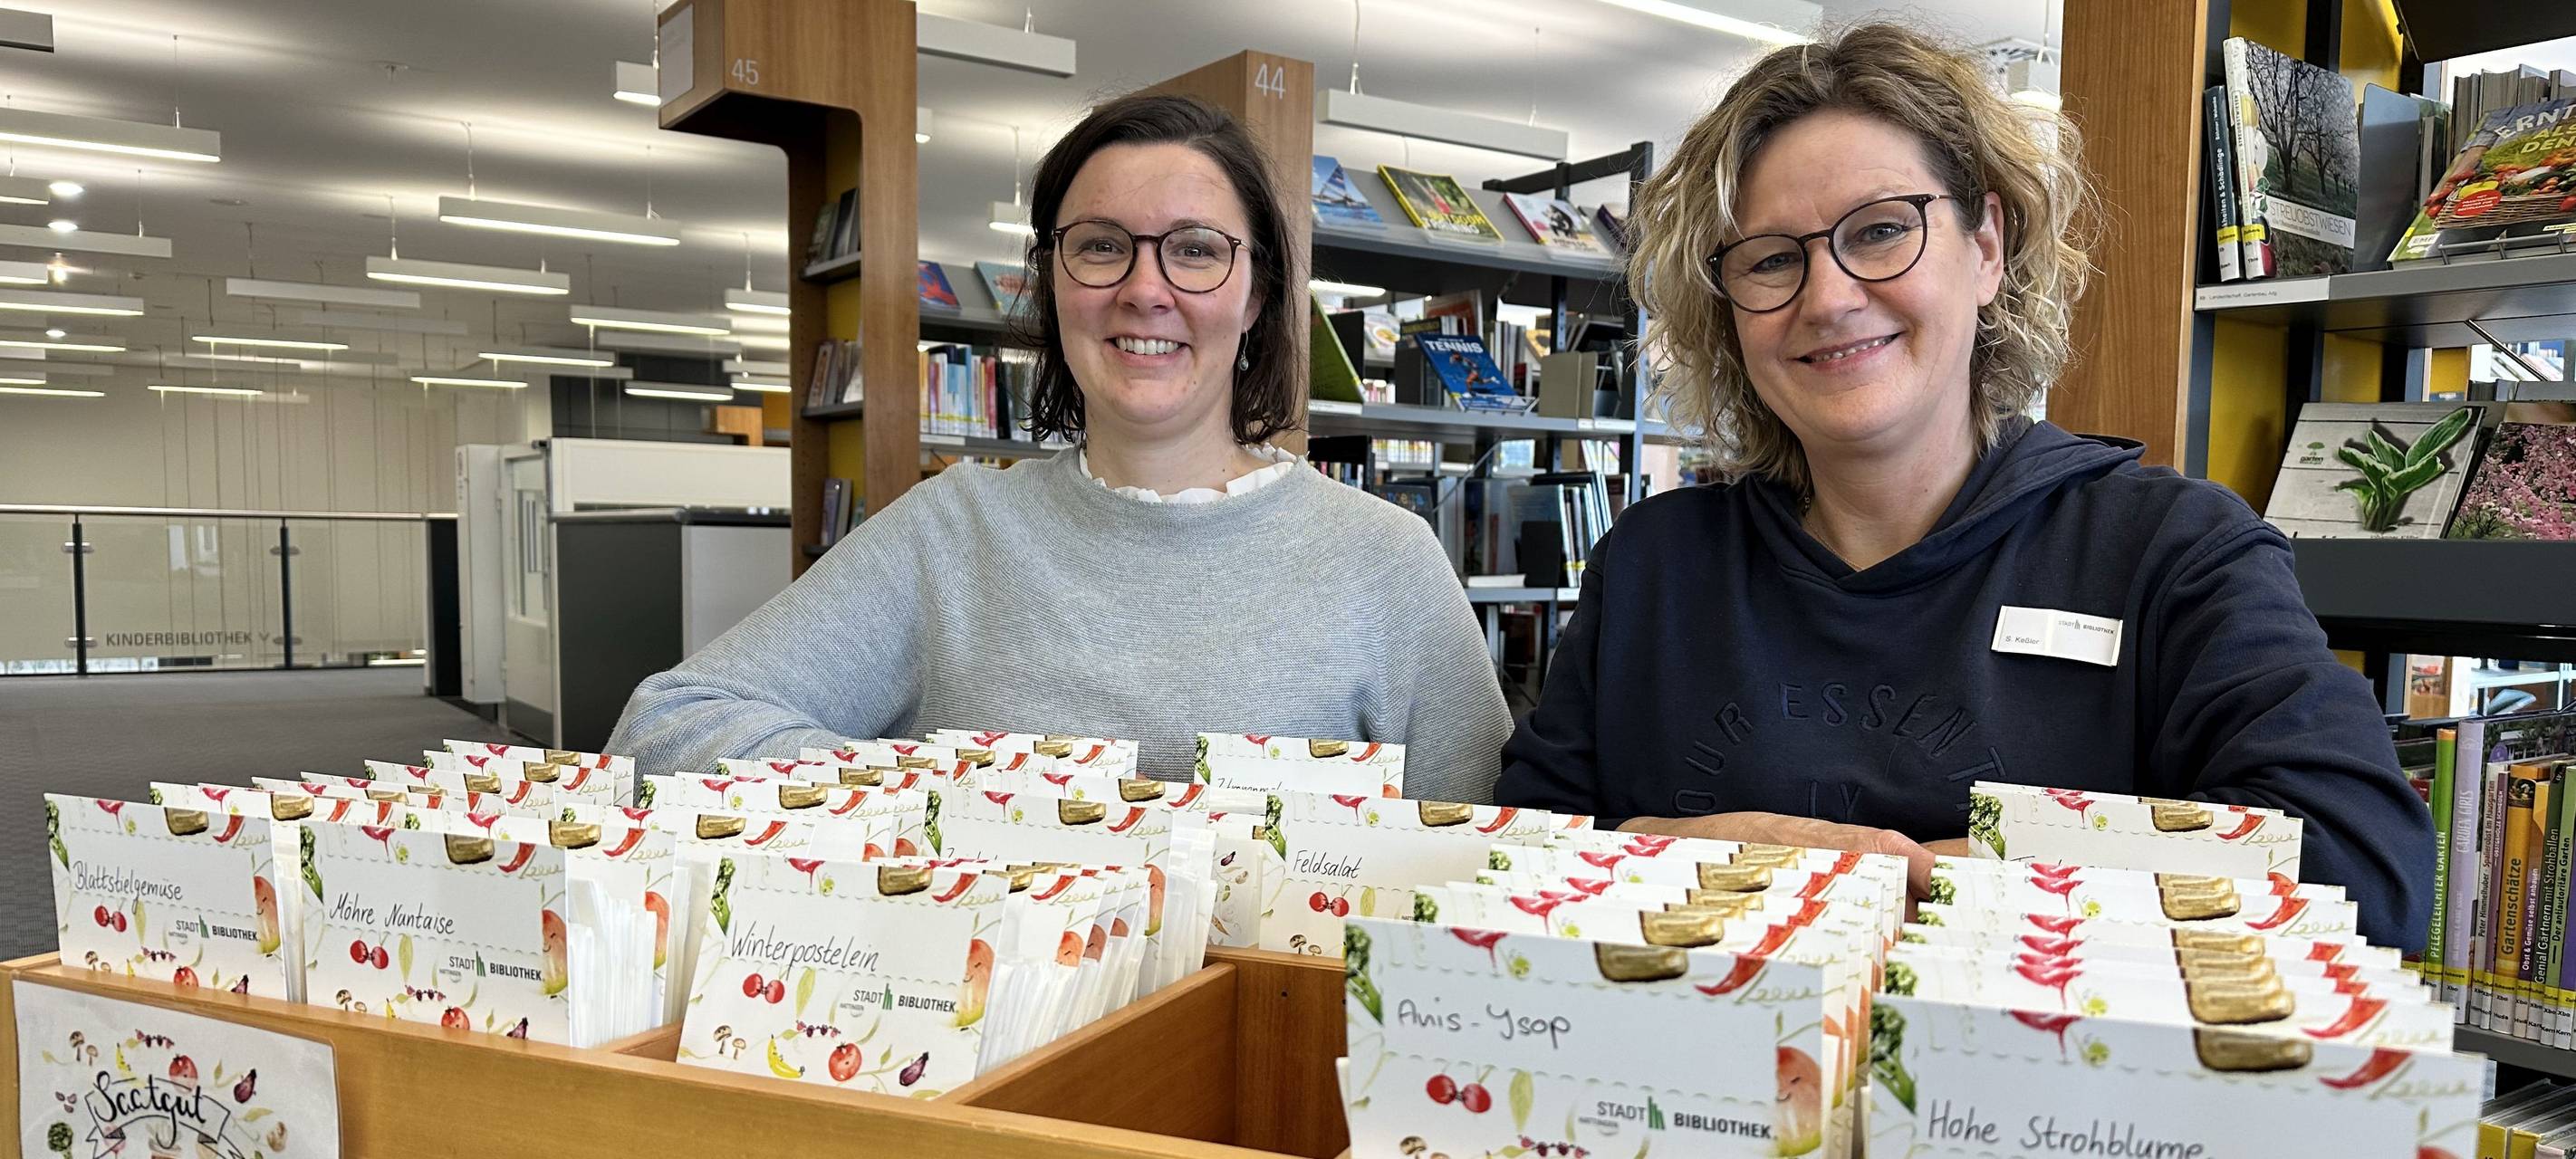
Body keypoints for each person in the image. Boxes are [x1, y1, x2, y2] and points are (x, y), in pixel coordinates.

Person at [1493, 24, 2433, 948]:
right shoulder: (1655, 565)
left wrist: (1865, 880)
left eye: (1881, 231)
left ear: (1986, 247)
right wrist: (1695, 856)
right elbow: (1507, 866)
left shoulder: (2169, 553)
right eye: (1772, 258)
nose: (1829, 297)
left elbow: (2362, 870)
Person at [610, 93, 1511, 799]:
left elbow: (1479, 859)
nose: (1145, 289)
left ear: (1258, 295)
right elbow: (665, 728)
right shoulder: (951, 534)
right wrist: (960, 798)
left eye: (1196, 251)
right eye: (1102, 246)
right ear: (1050, 284)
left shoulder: (1387, 564)